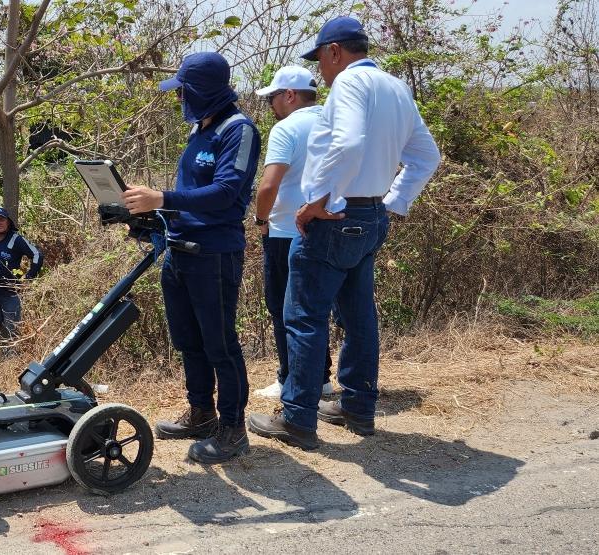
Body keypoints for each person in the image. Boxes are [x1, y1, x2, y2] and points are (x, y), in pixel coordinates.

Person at [247, 16, 441, 449]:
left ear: (334, 51)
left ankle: (297, 417)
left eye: (320, 59)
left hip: (336, 217)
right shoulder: (394, 87)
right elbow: (427, 155)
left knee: (303, 317)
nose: (321, 70)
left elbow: (349, 144)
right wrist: (394, 201)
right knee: (358, 317)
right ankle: (357, 406)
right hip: (371, 215)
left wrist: (322, 201)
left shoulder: (350, 85)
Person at [122, 51, 262, 464]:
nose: (179, 97)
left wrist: (162, 196)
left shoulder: (239, 131)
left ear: (201, 90)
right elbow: (190, 195)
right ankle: (201, 412)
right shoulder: (199, 130)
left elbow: (225, 193)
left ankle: (233, 429)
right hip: (179, 250)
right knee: (189, 340)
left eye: (183, 90)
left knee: (219, 343)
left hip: (213, 254)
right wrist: (151, 214)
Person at [250, 66, 335, 399]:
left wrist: (260, 220)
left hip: (286, 231)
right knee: (316, 308)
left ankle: (289, 378)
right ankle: (322, 378)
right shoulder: (333, 122)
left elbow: (268, 185)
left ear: (289, 95)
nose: (271, 105)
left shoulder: (287, 129)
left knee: (283, 309)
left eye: (273, 97)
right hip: (328, 225)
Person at [0, 208, 43, 346]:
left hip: (10, 296)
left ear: (8, 222)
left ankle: (10, 360)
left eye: (2, 219)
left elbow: (37, 254)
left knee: (11, 331)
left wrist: (29, 277)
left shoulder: (16, 239)